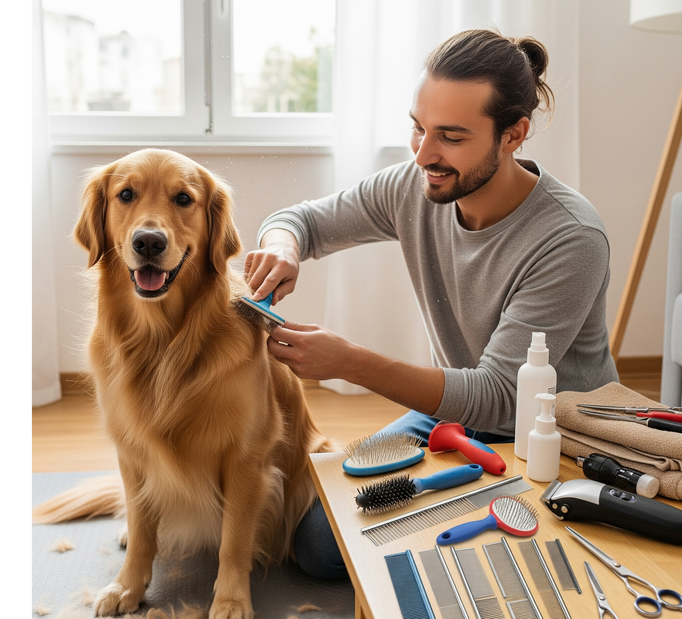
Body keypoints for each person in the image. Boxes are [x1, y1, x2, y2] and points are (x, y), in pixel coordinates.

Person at [245, 29, 619, 580]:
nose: (423, 154)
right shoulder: (414, 185)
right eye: (418, 128)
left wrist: (348, 362)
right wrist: (283, 250)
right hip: (457, 417)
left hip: (554, 437)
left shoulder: (570, 237)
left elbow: (497, 396)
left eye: (450, 136)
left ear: (514, 134)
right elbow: (300, 220)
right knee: (321, 543)